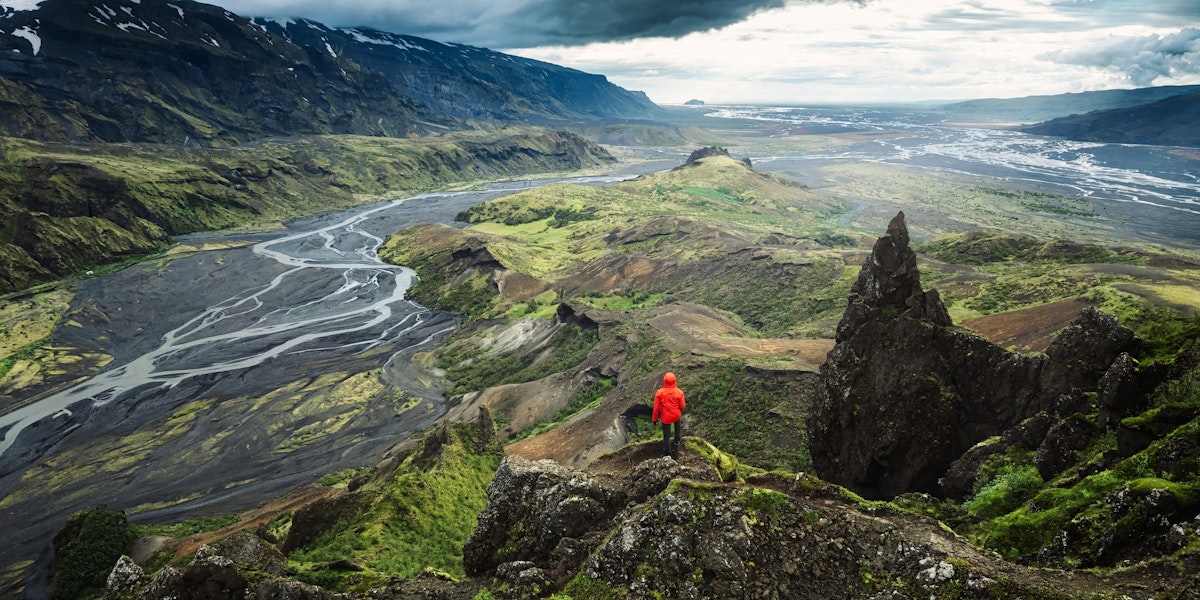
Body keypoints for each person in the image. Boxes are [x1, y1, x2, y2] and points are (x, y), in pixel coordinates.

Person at [651, 371, 686, 457]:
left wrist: (654, 419)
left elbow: (656, 409)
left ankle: (667, 453)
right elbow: (683, 406)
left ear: (664, 381)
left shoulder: (659, 393)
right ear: (675, 381)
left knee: (666, 435)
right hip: (676, 415)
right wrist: (677, 411)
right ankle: (677, 440)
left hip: (666, 417)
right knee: (677, 424)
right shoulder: (679, 392)